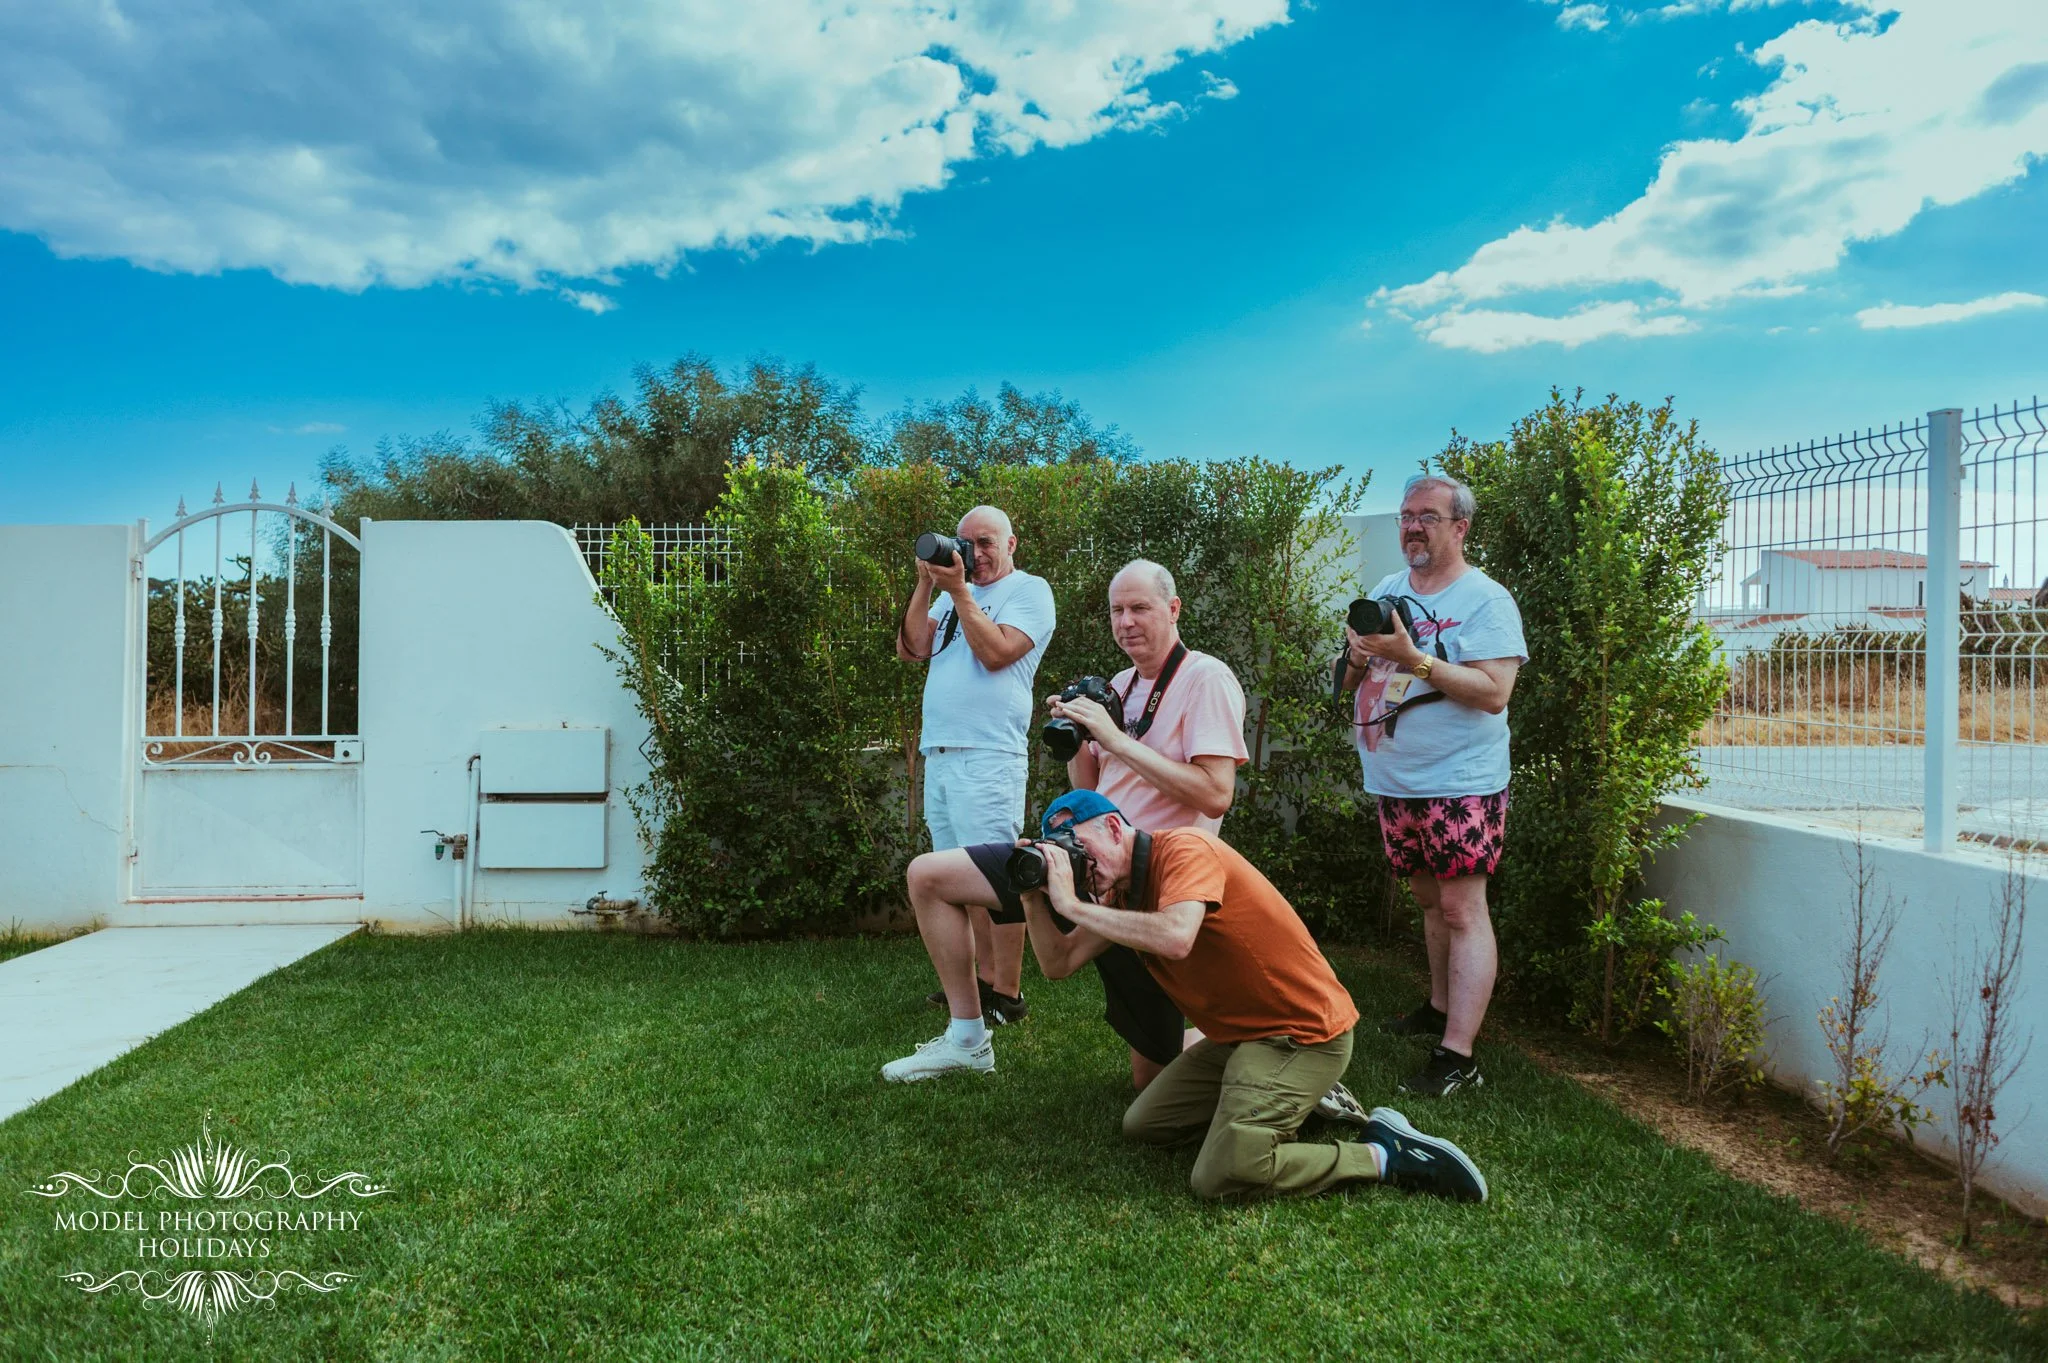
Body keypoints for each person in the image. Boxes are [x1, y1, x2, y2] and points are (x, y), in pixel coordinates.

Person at [1017, 790, 1488, 1204]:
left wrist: (1074, 906)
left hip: (1302, 1033)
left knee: (1220, 1175)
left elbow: (1176, 936)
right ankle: (1297, 1099)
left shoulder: (1184, 847)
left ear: (1116, 827)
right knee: (1144, 1126)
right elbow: (1057, 964)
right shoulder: (1120, 896)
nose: (1078, 864)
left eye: (1079, 848)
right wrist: (1034, 897)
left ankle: (1385, 1154)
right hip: (1240, 1039)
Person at [1344, 473, 1527, 1097]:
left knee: (1461, 907)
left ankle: (1459, 1056)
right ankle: (1439, 1007)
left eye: (1427, 515)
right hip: (1397, 778)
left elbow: (1494, 693)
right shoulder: (1387, 590)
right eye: (1404, 516)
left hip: (1461, 781)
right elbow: (1348, 684)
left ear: (1460, 527)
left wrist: (1414, 656)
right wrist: (1357, 657)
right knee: (1428, 901)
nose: (1412, 526)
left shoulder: (1486, 600)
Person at [1042, 559, 1250, 1092]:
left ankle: (1261, 1040)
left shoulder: (1206, 677)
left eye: (1140, 608)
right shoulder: (1119, 684)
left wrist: (1114, 738)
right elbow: (1090, 792)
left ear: (1174, 609)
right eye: (1117, 610)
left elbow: (1215, 793)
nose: (1126, 620)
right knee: (948, 876)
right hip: (1110, 868)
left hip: (1168, 874)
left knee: (1148, 1084)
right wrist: (1078, 734)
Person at [894, 505, 1056, 1039]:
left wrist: (961, 593)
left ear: (1013, 544)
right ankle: (971, 987)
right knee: (957, 882)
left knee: (998, 878)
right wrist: (926, 585)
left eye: (986, 542)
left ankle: (1006, 992)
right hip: (941, 754)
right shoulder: (947, 595)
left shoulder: (1029, 591)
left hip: (989, 756)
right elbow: (911, 648)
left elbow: (997, 654)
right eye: (965, 543)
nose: (974, 554)